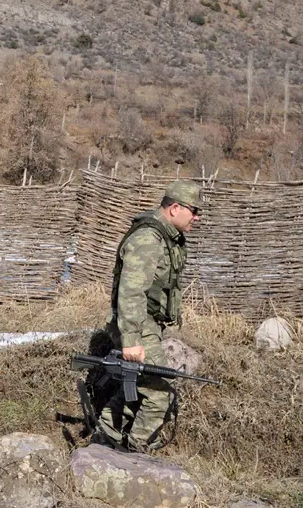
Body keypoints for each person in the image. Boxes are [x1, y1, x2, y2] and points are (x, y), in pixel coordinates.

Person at [97, 179, 202, 452]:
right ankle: (137, 451)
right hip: (138, 326)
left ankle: (104, 439)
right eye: (194, 210)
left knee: (138, 385)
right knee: (159, 393)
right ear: (175, 208)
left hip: (147, 324)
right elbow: (131, 292)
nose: (197, 217)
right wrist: (131, 339)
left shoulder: (166, 236)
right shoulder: (148, 239)